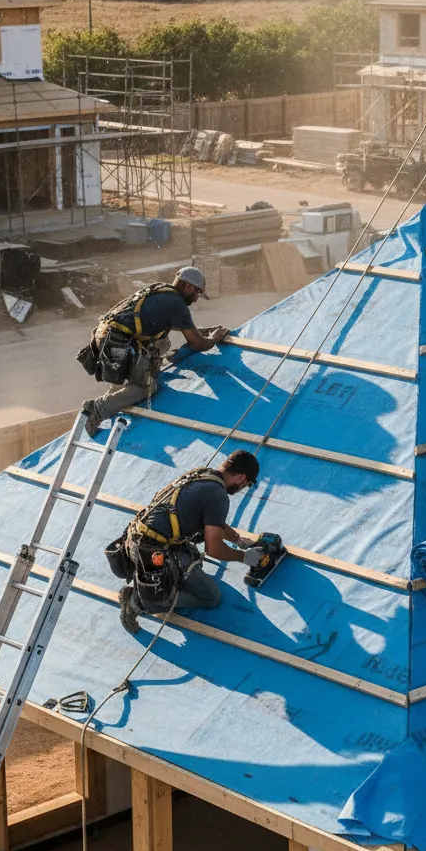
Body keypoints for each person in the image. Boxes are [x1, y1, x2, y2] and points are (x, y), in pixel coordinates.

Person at [104, 450, 283, 633]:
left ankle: (165, 581)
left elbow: (215, 522)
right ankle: (136, 602)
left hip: (144, 538)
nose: (243, 488)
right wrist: (245, 557)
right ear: (241, 478)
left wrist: (239, 540)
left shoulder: (203, 474)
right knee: (211, 597)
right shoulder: (218, 495)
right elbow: (214, 550)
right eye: (247, 484)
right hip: (151, 551)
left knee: (196, 546)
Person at [78, 266, 229, 437]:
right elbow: (198, 344)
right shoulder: (177, 304)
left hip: (106, 338)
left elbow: (175, 325)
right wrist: (215, 337)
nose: (195, 300)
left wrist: (202, 330)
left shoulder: (160, 290)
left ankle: (118, 393)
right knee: (145, 388)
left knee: (163, 341)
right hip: (119, 346)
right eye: (197, 294)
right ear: (188, 287)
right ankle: (98, 409)